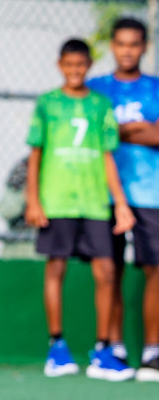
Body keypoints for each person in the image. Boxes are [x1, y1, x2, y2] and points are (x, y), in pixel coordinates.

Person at [26, 37, 136, 381]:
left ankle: (103, 350)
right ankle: (56, 347)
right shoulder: (47, 104)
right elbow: (35, 154)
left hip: (93, 202)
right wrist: (34, 199)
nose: (75, 71)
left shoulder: (101, 105)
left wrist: (120, 202)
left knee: (105, 271)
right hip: (57, 200)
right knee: (56, 268)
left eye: (81, 65)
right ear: (60, 65)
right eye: (68, 65)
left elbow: (107, 156)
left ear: (88, 66)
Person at [88, 17, 159, 382]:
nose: (128, 50)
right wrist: (139, 130)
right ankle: (113, 347)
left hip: (150, 193)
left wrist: (116, 130)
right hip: (104, 195)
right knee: (109, 272)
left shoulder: (155, 88)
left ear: (144, 46)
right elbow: (91, 139)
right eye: (121, 43)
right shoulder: (96, 88)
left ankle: (152, 352)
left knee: (154, 269)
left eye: (135, 43)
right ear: (113, 47)